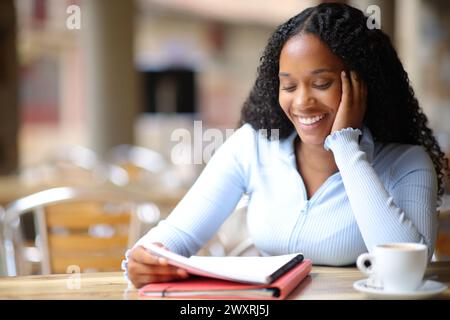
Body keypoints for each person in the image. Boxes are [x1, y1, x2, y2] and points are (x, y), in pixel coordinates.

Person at [123, 3, 449, 288]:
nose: (302, 101)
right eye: (289, 86)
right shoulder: (253, 146)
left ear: (363, 85)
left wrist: (348, 148)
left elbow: (409, 272)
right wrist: (144, 259)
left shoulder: (406, 162)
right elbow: (178, 235)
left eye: (321, 84)